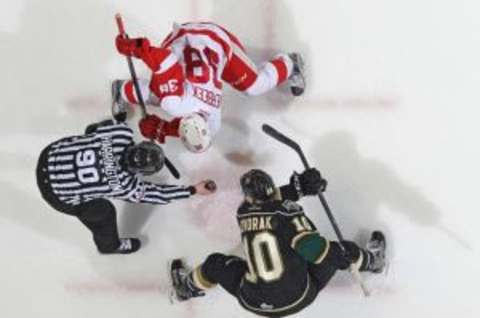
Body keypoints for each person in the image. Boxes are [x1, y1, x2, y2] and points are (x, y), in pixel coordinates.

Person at [169, 169, 387, 317]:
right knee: (343, 250)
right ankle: (374, 262)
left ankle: (185, 289)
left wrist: (299, 187)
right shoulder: (286, 213)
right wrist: (340, 257)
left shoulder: (243, 211)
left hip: (252, 299)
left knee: (215, 264)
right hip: (299, 296)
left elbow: (270, 201)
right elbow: (312, 250)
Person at [112, 21, 306, 153]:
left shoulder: (205, 122)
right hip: (202, 46)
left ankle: (290, 63)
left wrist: (163, 128)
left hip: (206, 46)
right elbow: (165, 62)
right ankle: (121, 89)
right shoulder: (178, 106)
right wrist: (138, 49)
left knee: (253, 86)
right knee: (156, 95)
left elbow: (167, 62)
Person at [36, 119, 215, 254]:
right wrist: (192, 190)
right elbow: (157, 194)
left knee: (94, 132)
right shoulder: (124, 185)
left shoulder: (121, 133)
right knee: (104, 211)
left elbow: (114, 122)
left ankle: (89, 143)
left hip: (50, 155)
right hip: (56, 194)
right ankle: (110, 246)